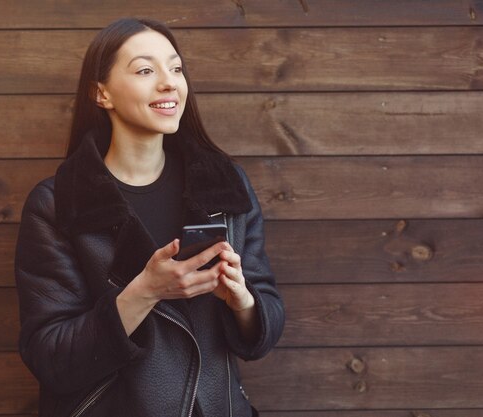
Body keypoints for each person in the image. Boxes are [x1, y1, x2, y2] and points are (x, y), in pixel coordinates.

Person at [15, 17, 284, 417]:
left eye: (175, 68)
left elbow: (266, 326)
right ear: (101, 93)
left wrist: (242, 300)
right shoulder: (57, 204)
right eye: (145, 70)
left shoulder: (225, 185)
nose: (169, 82)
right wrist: (145, 292)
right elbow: (52, 356)